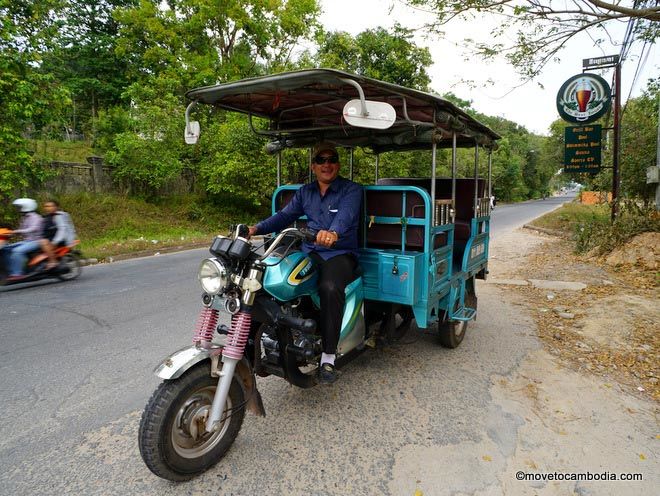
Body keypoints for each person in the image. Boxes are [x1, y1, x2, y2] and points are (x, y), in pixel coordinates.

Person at [248, 142, 362, 384]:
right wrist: (255, 229)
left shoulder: (351, 189)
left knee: (330, 288)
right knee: (267, 279)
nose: (327, 164)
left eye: (332, 159)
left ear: (338, 165)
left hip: (339, 253)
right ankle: (256, 345)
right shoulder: (305, 192)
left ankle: (328, 358)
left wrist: (333, 233)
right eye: (321, 160)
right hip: (309, 250)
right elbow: (284, 216)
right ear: (313, 166)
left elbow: (346, 215)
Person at [2, 198, 44, 281]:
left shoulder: (36, 217)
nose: (19, 209)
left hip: (36, 241)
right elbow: (21, 230)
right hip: (27, 241)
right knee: (5, 248)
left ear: (26, 206)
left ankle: (17, 273)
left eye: (20, 207)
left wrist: (16, 231)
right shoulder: (25, 217)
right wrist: (10, 234)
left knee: (17, 251)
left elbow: (32, 229)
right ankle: (10, 270)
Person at [40, 199, 77, 269]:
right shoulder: (46, 217)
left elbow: (62, 230)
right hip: (51, 238)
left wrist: (55, 242)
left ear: (56, 207)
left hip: (61, 240)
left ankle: (53, 261)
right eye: (46, 206)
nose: (48, 208)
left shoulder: (59, 216)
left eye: (51, 206)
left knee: (43, 242)